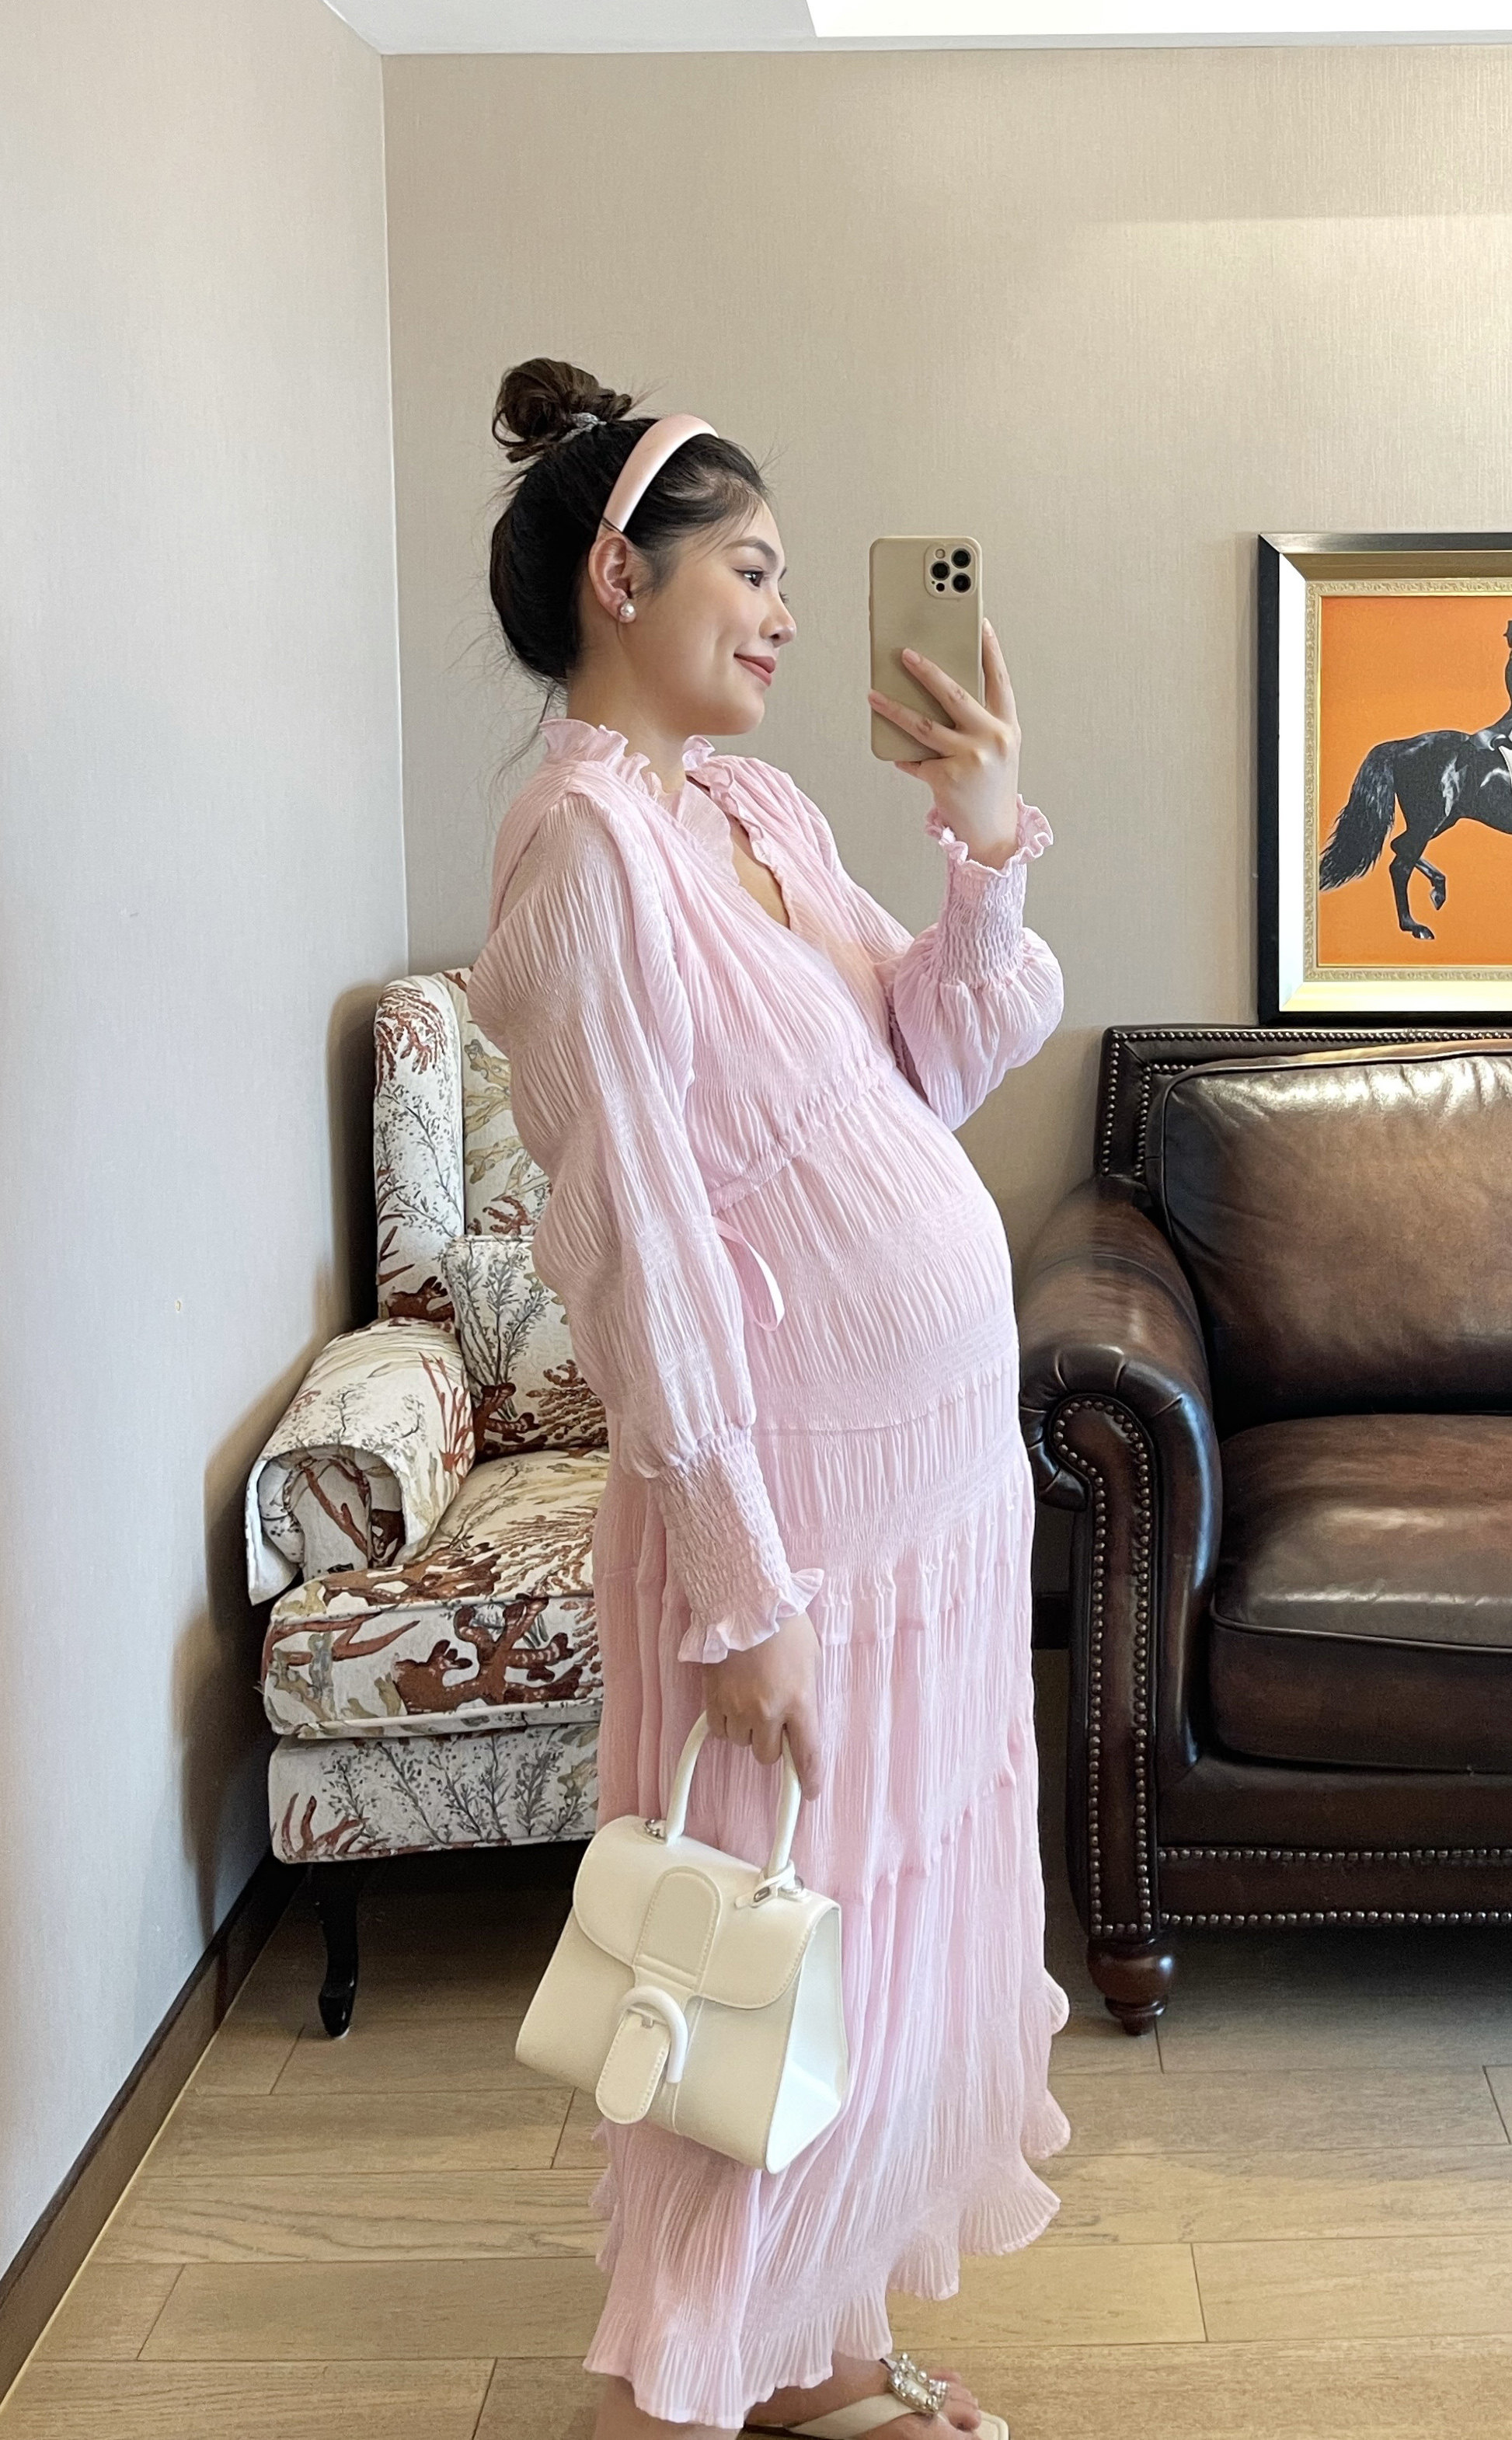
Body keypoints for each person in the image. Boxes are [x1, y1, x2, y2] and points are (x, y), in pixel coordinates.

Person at [467, 357, 1070, 2440]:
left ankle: (817, 2358)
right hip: (794, 1522)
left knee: (872, 1943)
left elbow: (936, 1055)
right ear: (620, 578)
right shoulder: (582, 853)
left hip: (926, 1492)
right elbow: (634, 1238)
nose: (791, 615)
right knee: (756, 1960)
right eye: (752, 568)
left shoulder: (748, 812)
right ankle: (687, 2388)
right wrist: (738, 1591)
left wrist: (980, 840)